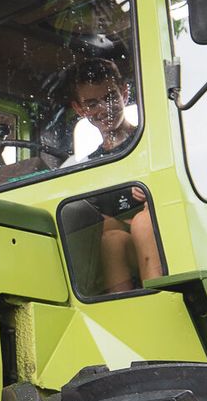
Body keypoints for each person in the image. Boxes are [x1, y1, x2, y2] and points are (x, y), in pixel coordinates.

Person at [64, 61, 166, 292]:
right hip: (128, 246)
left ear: (125, 92)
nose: (104, 109)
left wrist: (151, 192)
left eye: (110, 97)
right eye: (91, 103)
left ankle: (157, 297)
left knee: (142, 223)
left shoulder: (150, 142)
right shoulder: (90, 165)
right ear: (80, 109)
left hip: (161, 239)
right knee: (110, 241)